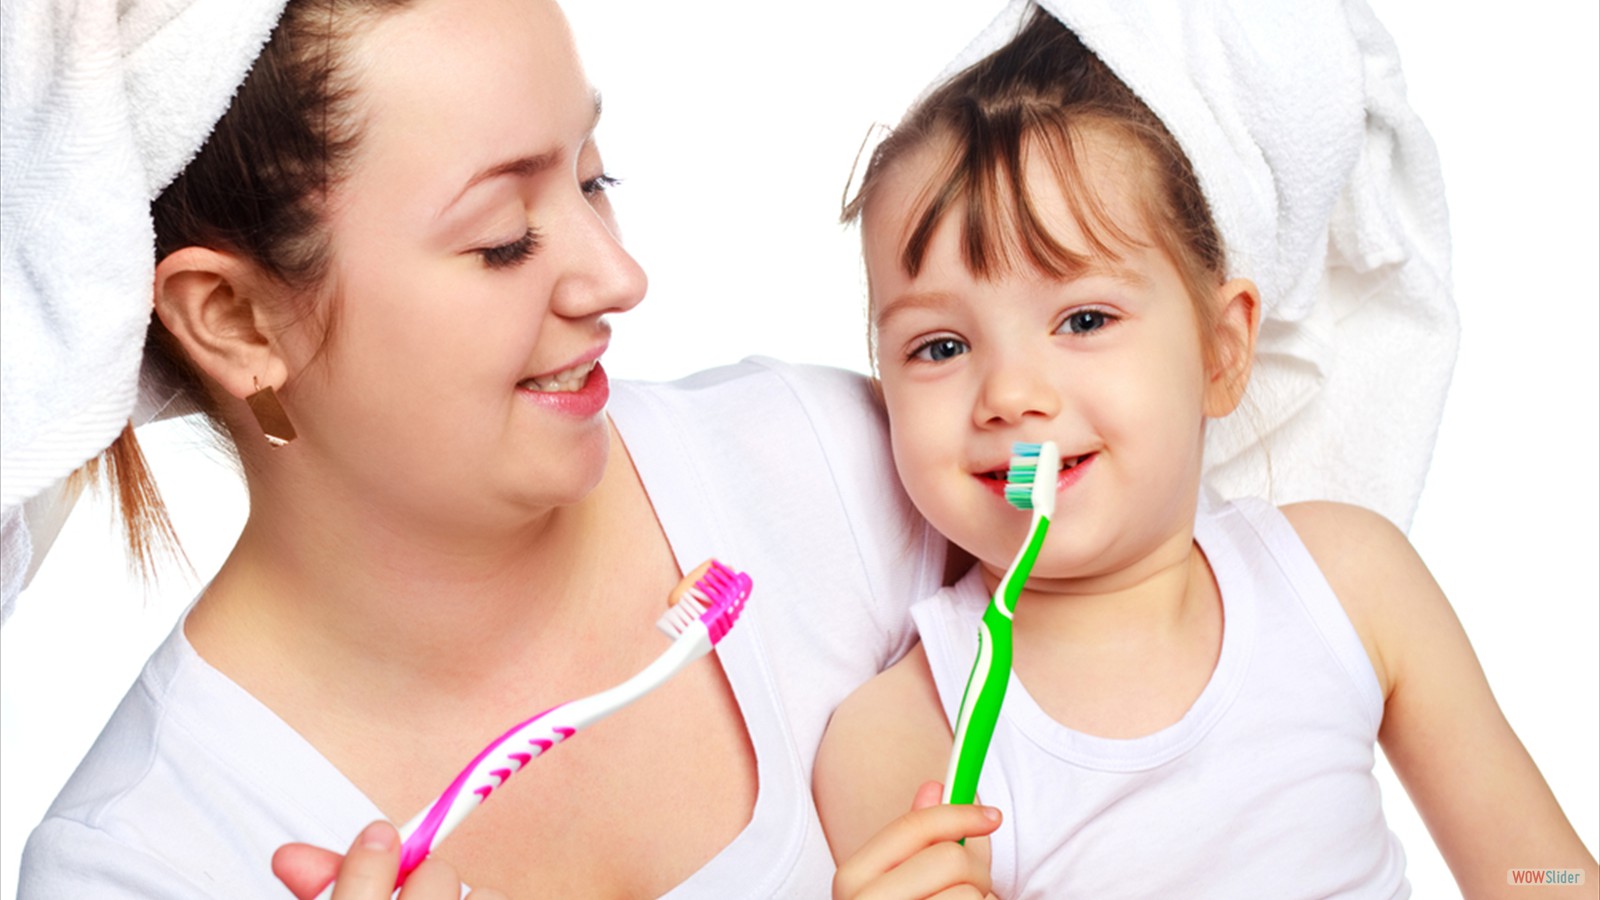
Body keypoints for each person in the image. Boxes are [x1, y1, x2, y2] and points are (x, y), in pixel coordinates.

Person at [13, 0, 945, 896]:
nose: (620, 278)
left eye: (594, 181)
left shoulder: (861, 475)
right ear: (238, 320)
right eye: (504, 240)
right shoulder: (137, 864)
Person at [811, 4, 1597, 897]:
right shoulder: (905, 735)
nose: (1008, 395)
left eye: (1084, 319)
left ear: (1221, 352)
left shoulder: (1348, 582)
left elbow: (1547, 873)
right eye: (940, 347)